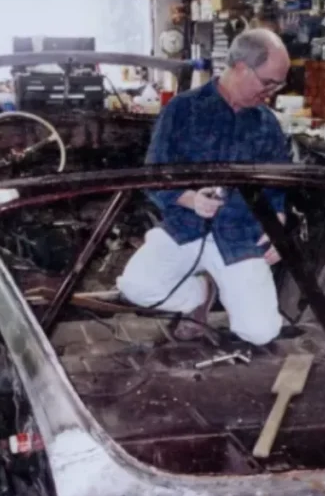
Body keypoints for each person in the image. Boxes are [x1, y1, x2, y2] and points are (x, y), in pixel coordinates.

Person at [117, 28, 292, 346]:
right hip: (185, 228)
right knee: (137, 287)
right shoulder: (183, 110)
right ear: (240, 68)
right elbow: (154, 172)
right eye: (268, 82)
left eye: (279, 84)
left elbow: (276, 188)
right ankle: (198, 295)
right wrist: (188, 198)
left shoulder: (267, 124)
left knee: (261, 332)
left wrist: (278, 223)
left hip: (239, 235)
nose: (273, 92)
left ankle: (225, 289)